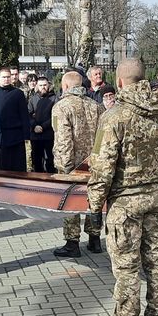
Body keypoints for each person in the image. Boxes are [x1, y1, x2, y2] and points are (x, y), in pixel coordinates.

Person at [88, 59, 158, 316]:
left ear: (119, 81)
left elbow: (102, 166)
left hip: (125, 205)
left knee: (127, 271)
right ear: (144, 78)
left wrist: (95, 205)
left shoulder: (113, 117)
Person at [49, 72, 105, 257]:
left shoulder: (61, 107)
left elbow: (63, 139)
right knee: (93, 198)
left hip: (72, 163)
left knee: (71, 202)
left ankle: (72, 242)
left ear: (65, 86)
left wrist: (65, 168)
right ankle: (94, 239)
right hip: (94, 163)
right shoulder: (96, 106)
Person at [0, 67, 30, 171]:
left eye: (8, 77)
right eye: (4, 77)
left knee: (15, 168)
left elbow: (24, 115)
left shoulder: (18, 93)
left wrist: (26, 135)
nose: (6, 79)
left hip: (15, 136)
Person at [28, 77, 57, 173]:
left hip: (49, 134)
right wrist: (34, 126)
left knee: (50, 160)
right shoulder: (33, 99)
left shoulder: (55, 98)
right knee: (36, 161)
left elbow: (55, 116)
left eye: (45, 85)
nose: (43, 87)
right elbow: (28, 114)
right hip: (35, 135)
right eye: (40, 85)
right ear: (37, 86)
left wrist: (43, 127)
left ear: (48, 85)